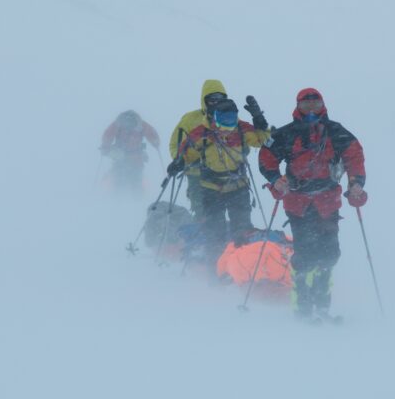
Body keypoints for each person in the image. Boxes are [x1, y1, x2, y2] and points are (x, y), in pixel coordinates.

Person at [259, 87, 367, 321]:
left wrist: (356, 182)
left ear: (323, 105)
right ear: (297, 106)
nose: (310, 110)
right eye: (305, 105)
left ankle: (322, 303)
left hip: (327, 200)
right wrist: (276, 180)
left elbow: (355, 156)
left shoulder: (335, 131)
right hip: (297, 201)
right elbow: (266, 156)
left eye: (315, 105)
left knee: (329, 253)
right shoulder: (286, 133)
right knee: (305, 254)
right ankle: (302, 304)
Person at [167, 94, 270, 271]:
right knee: (215, 232)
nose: (226, 127)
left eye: (231, 120)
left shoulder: (242, 130)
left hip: (239, 188)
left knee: (242, 230)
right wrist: (178, 163)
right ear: (214, 117)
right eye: (222, 121)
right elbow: (187, 154)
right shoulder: (201, 133)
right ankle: (216, 271)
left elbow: (264, 140)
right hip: (211, 190)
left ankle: (242, 269)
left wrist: (259, 118)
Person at [169, 80, 231, 219]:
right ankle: (206, 238)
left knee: (235, 213)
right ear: (205, 100)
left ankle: (226, 238)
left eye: (220, 99)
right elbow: (175, 145)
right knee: (204, 214)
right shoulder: (190, 120)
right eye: (212, 99)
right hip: (197, 176)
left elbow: (240, 141)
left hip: (228, 174)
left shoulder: (230, 117)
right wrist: (180, 159)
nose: (216, 103)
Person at [99, 110, 160, 195]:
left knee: (120, 180)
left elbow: (108, 135)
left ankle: (118, 198)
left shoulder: (118, 124)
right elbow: (152, 133)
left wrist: (105, 147)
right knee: (135, 180)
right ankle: (136, 198)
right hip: (135, 158)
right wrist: (155, 143)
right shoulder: (141, 124)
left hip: (121, 157)